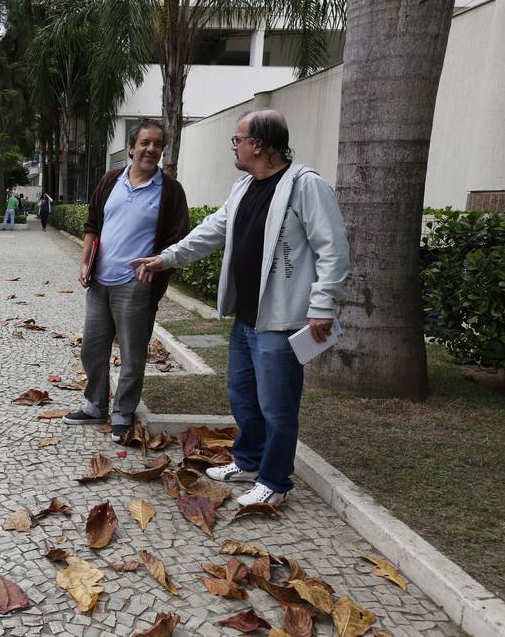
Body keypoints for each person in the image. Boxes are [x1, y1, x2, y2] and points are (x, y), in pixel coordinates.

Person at [131, 109, 350, 506]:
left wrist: (322, 304)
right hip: (247, 317)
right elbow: (209, 232)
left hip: (282, 321)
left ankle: (276, 482)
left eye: (238, 139)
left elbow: (332, 248)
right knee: (243, 396)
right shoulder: (244, 186)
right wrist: (164, 258)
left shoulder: (305, 186)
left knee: (277, 407)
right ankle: (249, 461)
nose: (234, 146)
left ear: (259, 144)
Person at [63, 118, 190, 443]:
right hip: (100, 281)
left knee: (133, 353)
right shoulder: (110, 181)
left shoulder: (170, 190)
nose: (151, 149)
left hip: (137, 285)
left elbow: (179, 239)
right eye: (145, 143)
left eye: (157, 144)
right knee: (92, 348)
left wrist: (158, 266)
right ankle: (94, 405)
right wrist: (84, 262)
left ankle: (123, 412)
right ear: (131, 148)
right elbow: (93, 223)